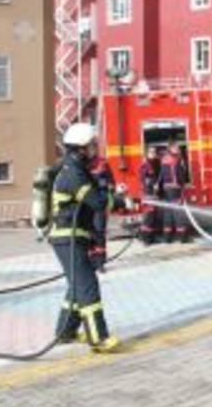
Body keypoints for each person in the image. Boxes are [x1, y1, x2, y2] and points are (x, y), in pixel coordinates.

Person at [50, 123, 121, 353]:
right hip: (67, 237)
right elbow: (97, 202)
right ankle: (98, 338)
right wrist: (116, 198)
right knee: (88, 285)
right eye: (92, 145)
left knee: (77, 285)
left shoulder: (76, 169)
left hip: (73, 236)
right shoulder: (73, 174)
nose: (95, 149)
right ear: (81, 148)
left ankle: (66, 331)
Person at [158, 143, 190, 242]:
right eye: (177, 148)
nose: (179, 150)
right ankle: (183, 238)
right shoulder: (175, 160)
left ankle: (167, 238)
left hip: (166, 188)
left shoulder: (165, 159)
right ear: (171, 149)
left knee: (168, 212)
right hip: (174, 188)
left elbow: (162, 175)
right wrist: (183, 184)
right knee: (178, 212)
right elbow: (180, 175)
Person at [138, 146, 161, 244]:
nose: (153, 154)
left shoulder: (156, 164)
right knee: (148, 217)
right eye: (151, 152)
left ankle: (151, 238)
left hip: (154, 194)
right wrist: (153, 184)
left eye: (154, 152)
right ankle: (146, 239)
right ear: (147, 154)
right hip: (148, 194)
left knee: (153, 217)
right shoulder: (145, 166)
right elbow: (144, 180)